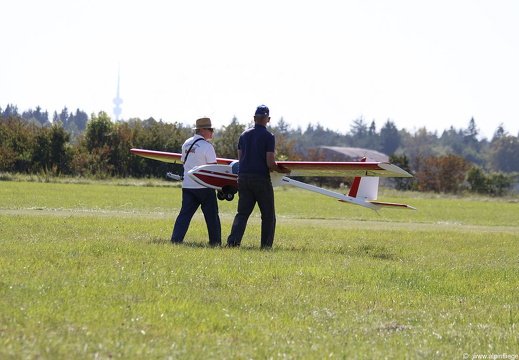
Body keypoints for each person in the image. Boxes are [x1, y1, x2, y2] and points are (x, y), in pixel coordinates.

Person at [226, 105, 290, 249]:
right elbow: (270, 163)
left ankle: (232, 243)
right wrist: (282, 171)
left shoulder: (244, 135)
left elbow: (240, 159)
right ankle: (266, 246)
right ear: (268, 119)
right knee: (268, 216)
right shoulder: (269, 137)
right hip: (260, 179)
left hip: (243, 178)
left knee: (242, 214)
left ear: (254, 118)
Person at [171, 117, 221, 246]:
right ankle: (215, 242)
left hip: (187, 185)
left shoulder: (186, 143)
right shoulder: (207, 147)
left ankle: (176, 240)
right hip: (204, 187)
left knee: (184, 215)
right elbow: (213, 168)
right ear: (202, 130)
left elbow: (184, 162)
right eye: (210, 129)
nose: (212, 132)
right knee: (212, 217)